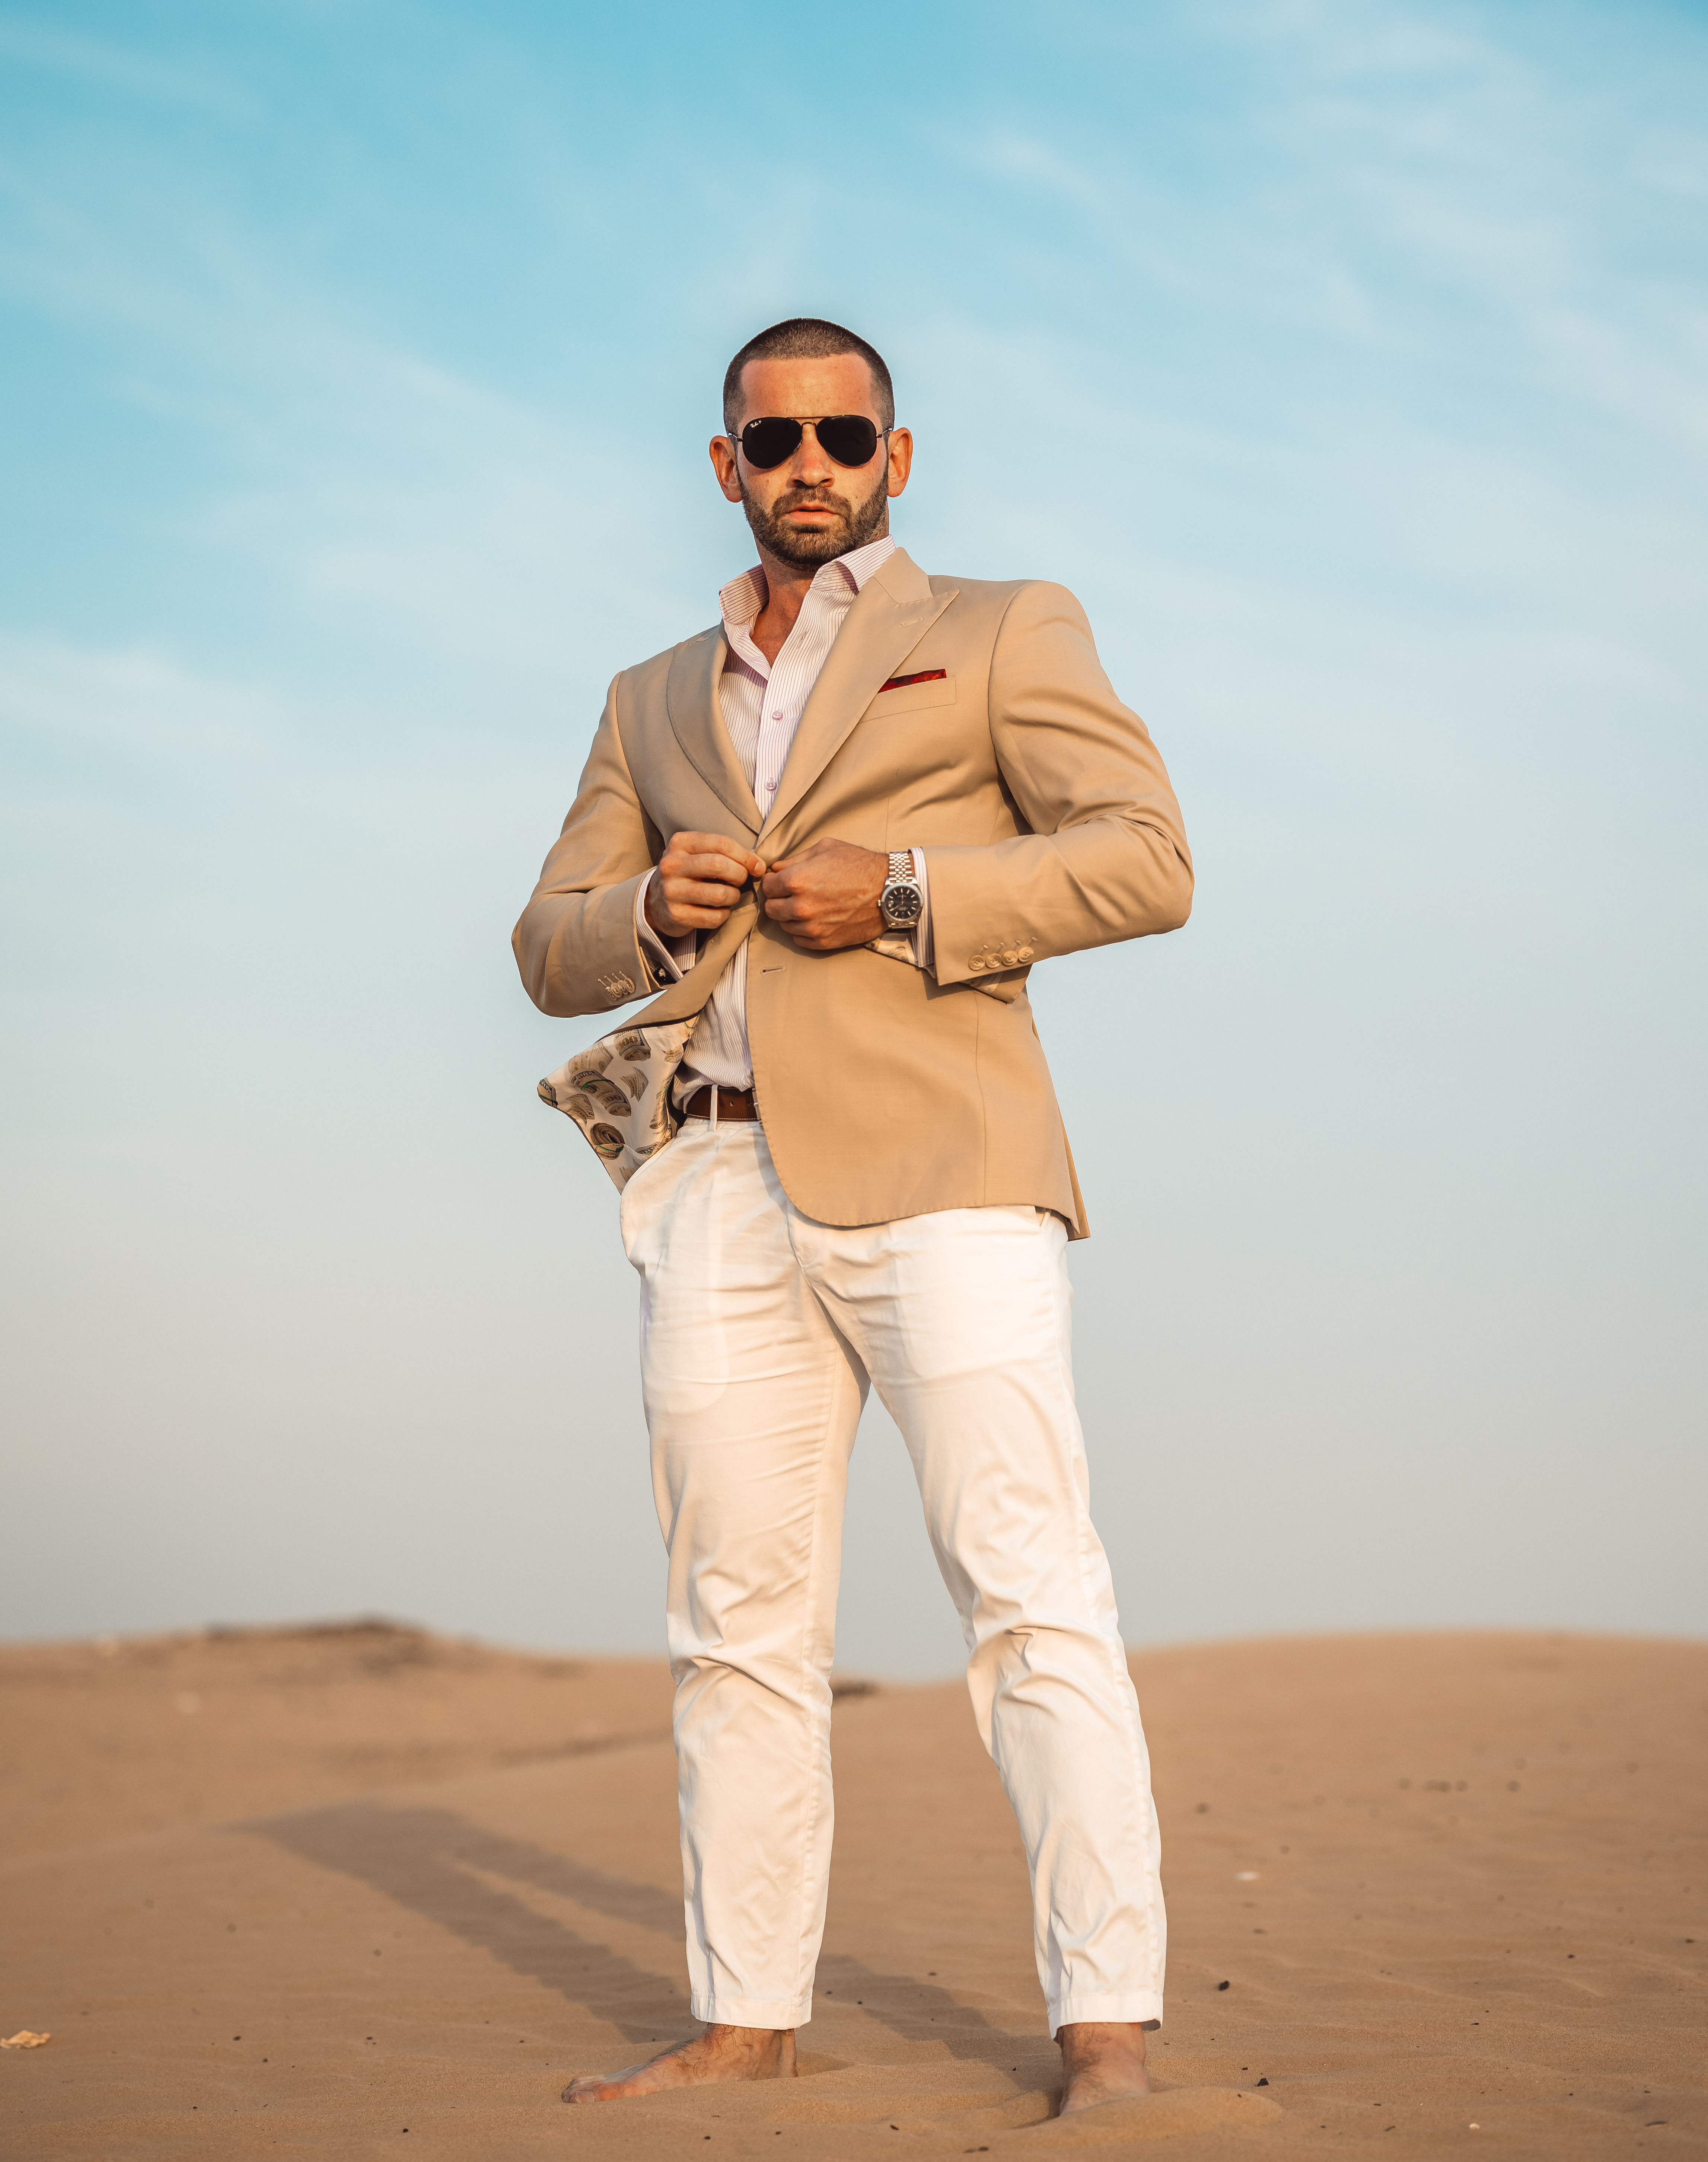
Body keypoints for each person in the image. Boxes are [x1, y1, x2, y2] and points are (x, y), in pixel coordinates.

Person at [512, 317, 1193, 2116]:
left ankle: (1104, 2031)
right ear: (723, 467)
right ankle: (747, 2021)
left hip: (946, 1170)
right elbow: (544, 946)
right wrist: (654, 905)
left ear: (898, 458)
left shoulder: (999, 628)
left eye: (844, 433)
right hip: (715, 1181)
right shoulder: (648, 693)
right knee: (734, 1622)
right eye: (772, 437)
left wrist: (901, 892)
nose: (808, 461)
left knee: (1029, 1595)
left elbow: (1146, 856)